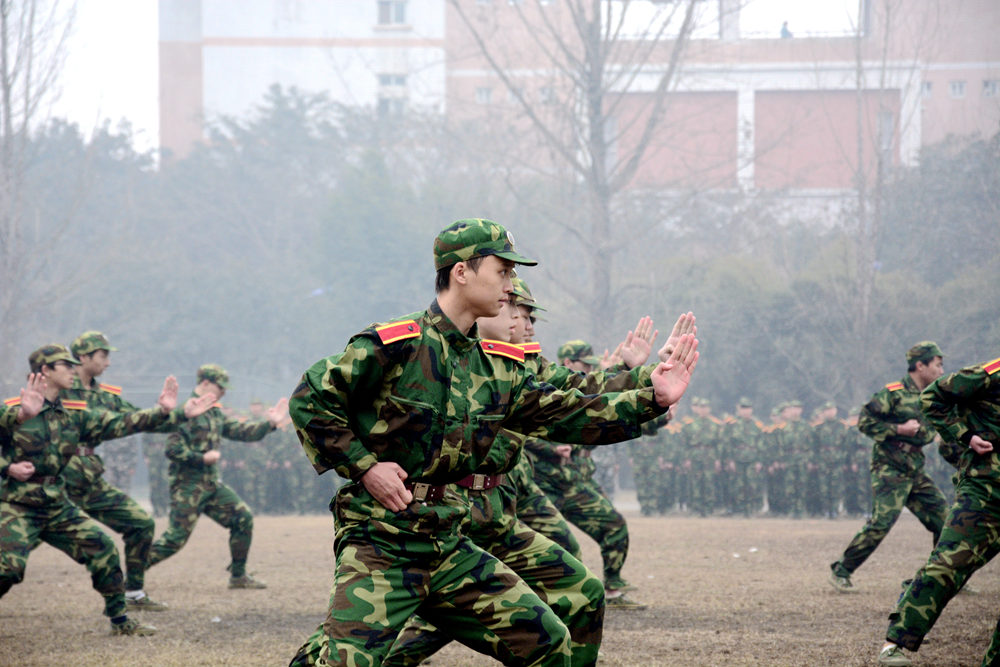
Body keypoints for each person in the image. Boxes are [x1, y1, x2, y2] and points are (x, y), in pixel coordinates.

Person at [288, 218, 699, 666]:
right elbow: (311, 400)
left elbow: (566, 412)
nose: (511, 284)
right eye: (502, 271)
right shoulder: (397, 344)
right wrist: (365, 466)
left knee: (550, 647)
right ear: (462, 272)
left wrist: (651, 398)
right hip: (383, 543)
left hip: (449, 539)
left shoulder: (500, 366)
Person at [0, 345, 213, 636]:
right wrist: (7, 466)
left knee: (103, 548)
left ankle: (120, 619)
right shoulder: (12, 410)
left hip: (55, 503)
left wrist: (170, 413)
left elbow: (120, 422)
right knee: (8, 569)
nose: (73, 370)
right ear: (45, 371)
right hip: (16, 504)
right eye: (65, 365)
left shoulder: (72, 415)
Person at [877, 355, 1000, 666]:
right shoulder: (992, 373)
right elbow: (933, 396)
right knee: (947, 565)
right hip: (986, 493)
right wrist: (964, 436)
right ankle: (895, 644)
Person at [146, 364, 288, 589]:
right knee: (174, 539)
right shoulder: (186, 410)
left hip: (211, 485)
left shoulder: (214, 412)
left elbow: (241, 432)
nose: (223, 391)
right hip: (188, 486)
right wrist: (201, 458)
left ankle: (238, 576)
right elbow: (171, 449)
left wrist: (269, 424)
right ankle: (132, 573)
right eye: (219, 386)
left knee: (243, 518)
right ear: (204, 383)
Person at [61, 330, 171, 611]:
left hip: (87, 479)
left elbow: (139, 419)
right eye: (103, 355)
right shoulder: (59, 387)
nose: (108, 363)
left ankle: (133, 592)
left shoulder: (105, 396)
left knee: (141, 524)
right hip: (52, 481)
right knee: (15, 548)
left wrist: (176, 414)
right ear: (84, 356)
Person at [829, 342, 951, 592]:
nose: (941, 371)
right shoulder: (893, 393)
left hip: (915, 468)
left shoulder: (932, 394)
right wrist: (897, 429)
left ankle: (942, 577)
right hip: (889, 467)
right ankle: (842, 570)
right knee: (882, 523)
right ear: (920, 365)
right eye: (937, 365)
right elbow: (864, 422)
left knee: (945, 521)